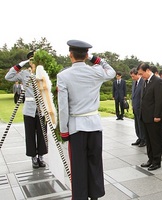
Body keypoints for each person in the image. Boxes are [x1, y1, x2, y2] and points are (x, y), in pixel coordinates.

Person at [57, 39, 116, 199]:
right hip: (95, 125)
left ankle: (80, 197)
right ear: (86, 55)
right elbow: (111, 71)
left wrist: (63, 130)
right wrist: (95, 59)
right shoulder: (96, 71)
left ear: (70, 55)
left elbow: (63, 107)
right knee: (95, 162)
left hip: (76, 127)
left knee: (78, 165)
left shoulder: (63, 76)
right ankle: (95, 195)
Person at [5, 51, 47, 169]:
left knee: (42, 134)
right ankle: (33, 157)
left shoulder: (44, 73)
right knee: (30, 134)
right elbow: (8, 77)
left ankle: (41, 156)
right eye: (32, 60)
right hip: (29, 108)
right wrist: (21, 64)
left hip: (42, 109)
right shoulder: (24, 73)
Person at [138, 62, 162, 171]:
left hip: (154, 117)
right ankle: (150, 159)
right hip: (145, 116)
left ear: (148, 70)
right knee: (148, 140)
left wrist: (157, 115)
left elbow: (160, 100)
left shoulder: (158, 82)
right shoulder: (146, 82)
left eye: (141, 73)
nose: (141, 76)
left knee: (155, 140)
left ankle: (156, 161)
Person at [130, 68, 146, 147]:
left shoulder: (143, 82)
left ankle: (143, 139)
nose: (132, 78)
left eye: (133, 76)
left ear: (137, 74)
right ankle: (139, 137)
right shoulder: (134, 83)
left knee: (141, 124)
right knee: (137, 124)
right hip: (135, 107)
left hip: (141, 108)